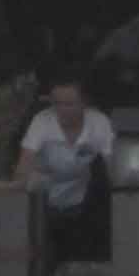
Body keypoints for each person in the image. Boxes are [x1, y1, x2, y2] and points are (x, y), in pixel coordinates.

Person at [16, 76, 117, 255]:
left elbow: (113, 169)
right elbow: (24, 164)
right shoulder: (42, 121)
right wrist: (15, 200)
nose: (62, 110)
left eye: (69, 104)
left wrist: (122, 202)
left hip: (79, 203)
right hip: (41, 202)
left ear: (84, 103)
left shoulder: (99, 122)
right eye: (57, 104)